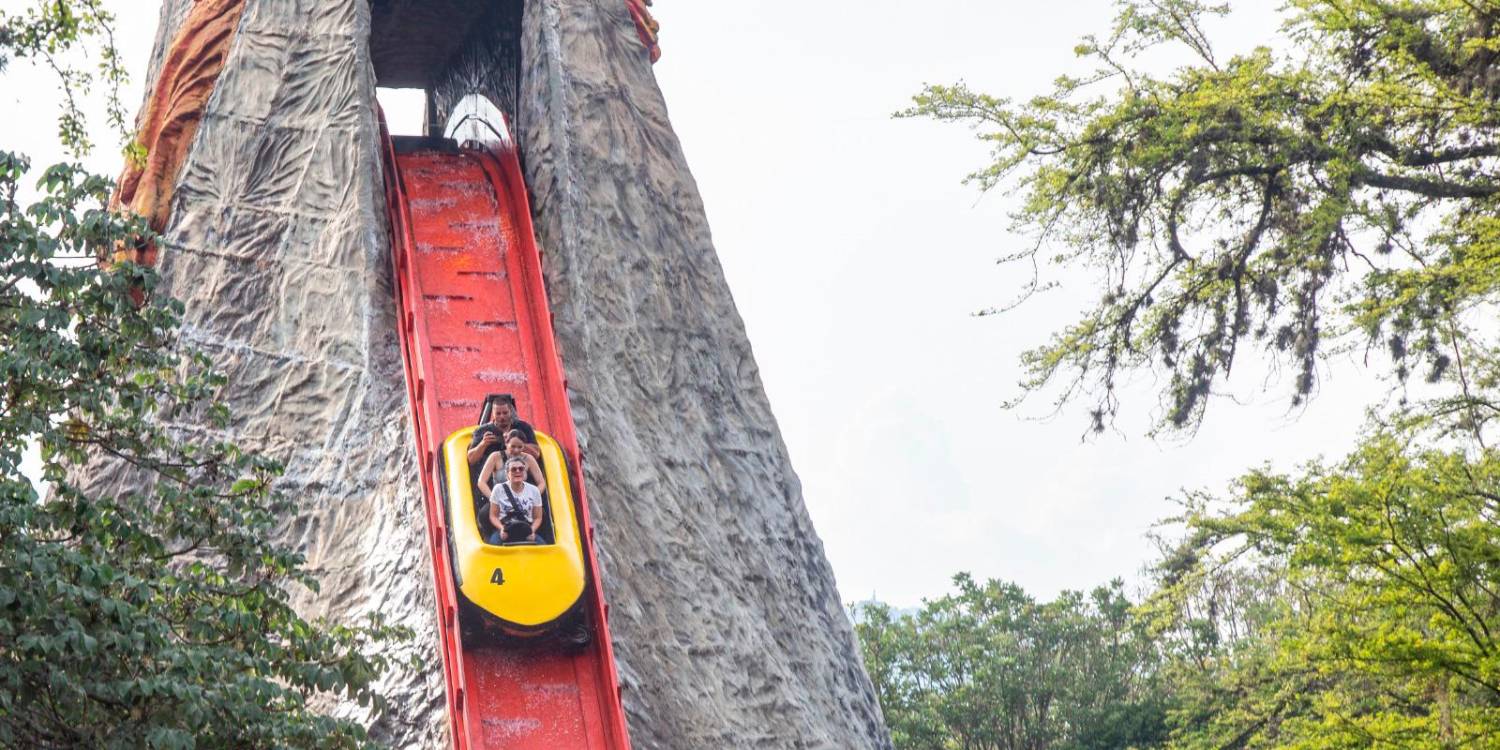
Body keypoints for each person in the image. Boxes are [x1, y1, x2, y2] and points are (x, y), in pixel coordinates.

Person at [477, 455, 547, 544]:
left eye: (521, 469)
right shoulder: (498, 489)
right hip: (506, 529)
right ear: (507, 474)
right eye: (513, 469)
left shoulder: (534, 490)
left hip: (526, 529)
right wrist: (501, 528)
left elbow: (538, 517)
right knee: (494, 544)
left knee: (543, 546)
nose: (517, 471)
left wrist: (532, 530)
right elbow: (493, 516)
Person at [467, 395, 539, 471]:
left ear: (510, 412)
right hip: (491, 473)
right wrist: (483, 444)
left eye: (505, 413)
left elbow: (536, 454)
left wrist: (516, 443)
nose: (502, 417)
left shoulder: (524, 427)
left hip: (520, 471)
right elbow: (471, 460)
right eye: (498, 414)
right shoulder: (482, 431)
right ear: (493, 414)